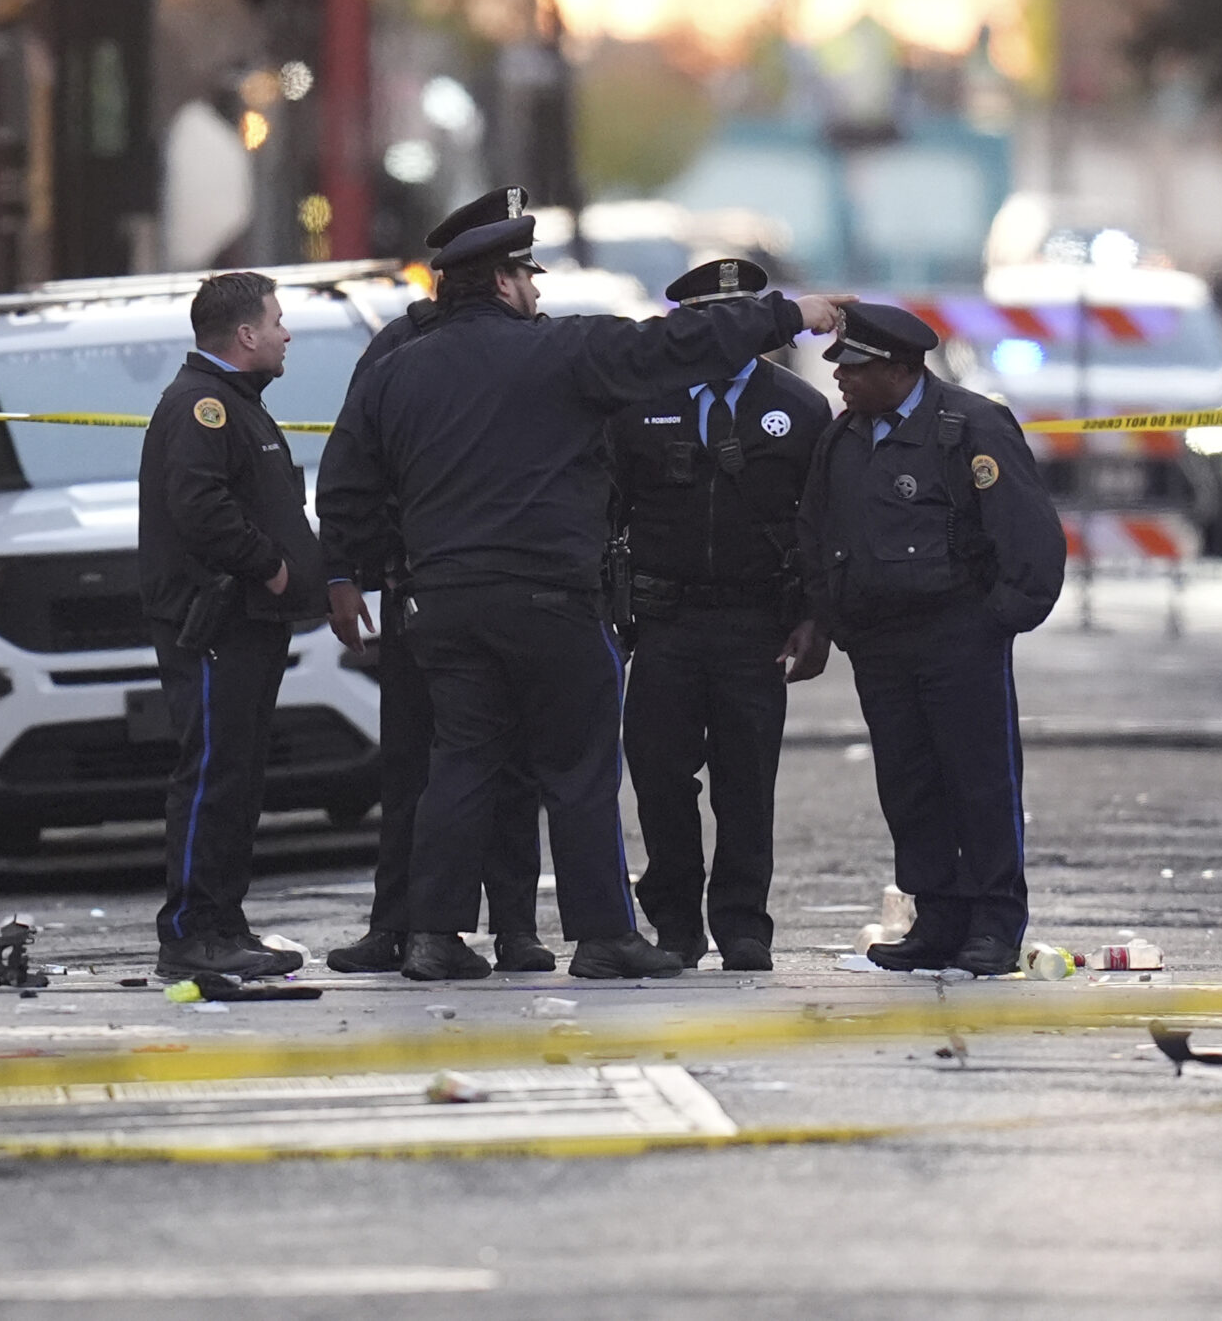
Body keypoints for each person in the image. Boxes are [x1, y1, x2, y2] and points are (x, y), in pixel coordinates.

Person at [320, 216, 848, 981]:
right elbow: (676, 346)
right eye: (528, 275)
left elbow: (346, 477)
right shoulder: (565, 351)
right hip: (551, 601)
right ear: (502, 282)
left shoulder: (400, 369)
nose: (537, 288)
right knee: (577, 768)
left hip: (444, 604)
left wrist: (342, 572)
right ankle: (604, 934)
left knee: (460, 763)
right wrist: (791, 312)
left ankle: (431, 934)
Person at [796, 302, 1065, 977]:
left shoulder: (969, 426)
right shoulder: (845, 438)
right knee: (910, 784)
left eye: (854, 367)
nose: (841, 379)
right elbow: (819, 532)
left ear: (902, 367)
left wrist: (995, 621)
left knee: (977, 780)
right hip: (882, 643)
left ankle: (994, 922)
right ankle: (938, 915)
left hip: (957, 636)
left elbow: (1028, 535)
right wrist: (836, 619)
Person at [326, 189, 549, 976]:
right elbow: (351, 468)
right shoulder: (400, 346)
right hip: (415, 581)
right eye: (519, 269)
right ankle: (398, 923)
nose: (530, 287)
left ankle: (516, 926)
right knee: (412, 763)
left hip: (494, 583)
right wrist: (345, 573)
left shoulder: (536, 344)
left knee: (512, 763)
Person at [608, 259, 833, 972]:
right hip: (665, 623)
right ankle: (674, 921)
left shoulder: (799, 408)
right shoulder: (641, 403)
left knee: (746, 780)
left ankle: (744, 924)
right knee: (659, 776)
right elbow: (605, 509)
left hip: (754, 622)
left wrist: (813, 618)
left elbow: (819, 524)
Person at [137, 272, 327, 980]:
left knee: (238, 776)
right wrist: (269, 565)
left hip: (249, 622)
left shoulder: (234, 402)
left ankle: (223, 921)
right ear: (244, 333)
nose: (286, 333)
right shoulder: (204, 406)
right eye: (276, 320)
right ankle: (189, 930)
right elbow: (201, 506)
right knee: (214, 770)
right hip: (218, 619)